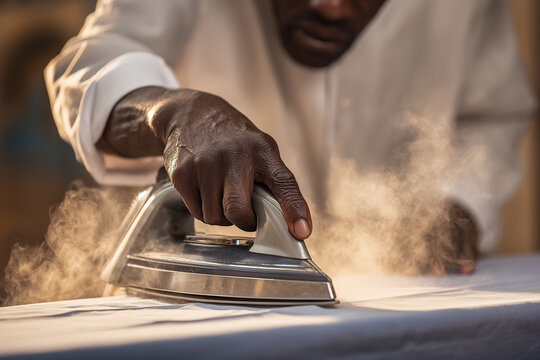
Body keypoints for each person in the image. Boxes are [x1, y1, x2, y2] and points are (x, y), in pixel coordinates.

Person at [45, 0, 536, 274]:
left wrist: (457, 200)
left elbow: (490, 115)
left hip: (407, 287)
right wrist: (172, 112)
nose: (331, 8)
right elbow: (88, 65)